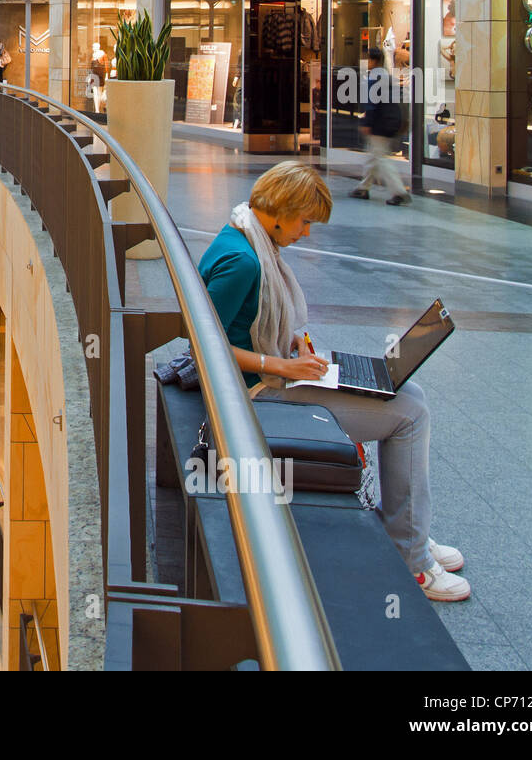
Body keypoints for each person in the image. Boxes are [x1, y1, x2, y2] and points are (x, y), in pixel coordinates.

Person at [196, 161, 469, 601]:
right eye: (305, 222)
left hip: (270, 375)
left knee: (407, 392)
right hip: (255, 394)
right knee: (411, 414)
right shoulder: (243, 260)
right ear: (282, 210)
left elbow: (254, 321)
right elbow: (202, 345)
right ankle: (412, 557)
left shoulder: (246, 236)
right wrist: (284, 366)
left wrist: (295, 348)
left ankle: (405, 525)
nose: (305, 233)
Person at [349, 47, 410, 205]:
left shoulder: (373, 78)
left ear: (373, 61)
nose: (366, 62)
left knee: (380, 158)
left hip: (381, 121)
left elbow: (371, 102)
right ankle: (363, 188)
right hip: (392, 119)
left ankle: (399, 193)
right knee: (374, 155)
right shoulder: (387, 76)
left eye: (367, 59)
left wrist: (367, 122)